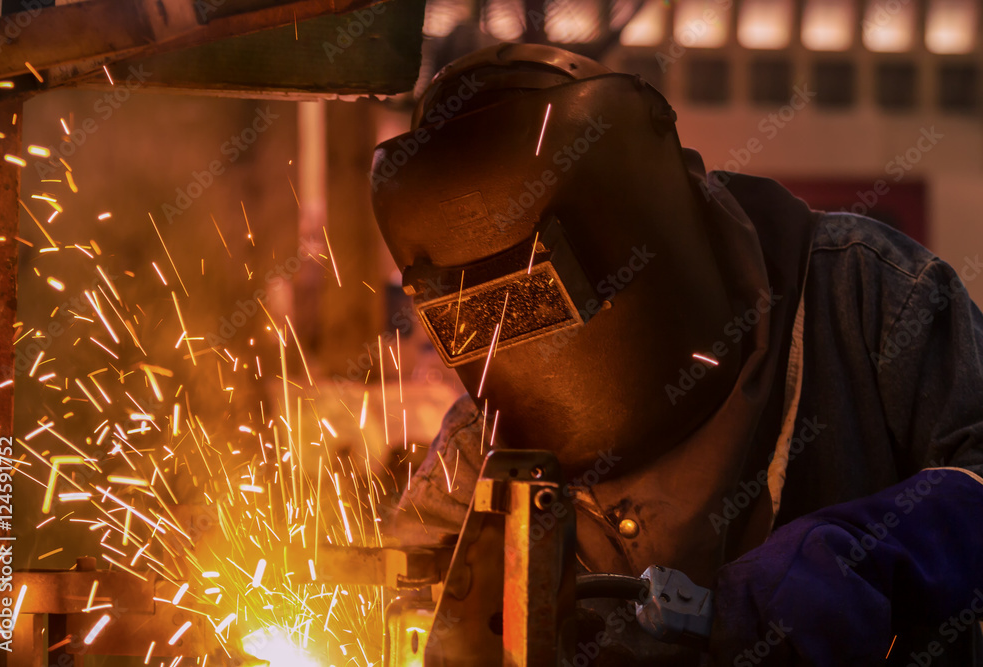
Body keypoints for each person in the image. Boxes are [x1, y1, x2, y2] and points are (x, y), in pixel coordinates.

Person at [369, 43, 983, 666]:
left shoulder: (866, 298)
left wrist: (867, 557)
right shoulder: (494, 441)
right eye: (497, 316)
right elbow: (408, 600)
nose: (533, 337)